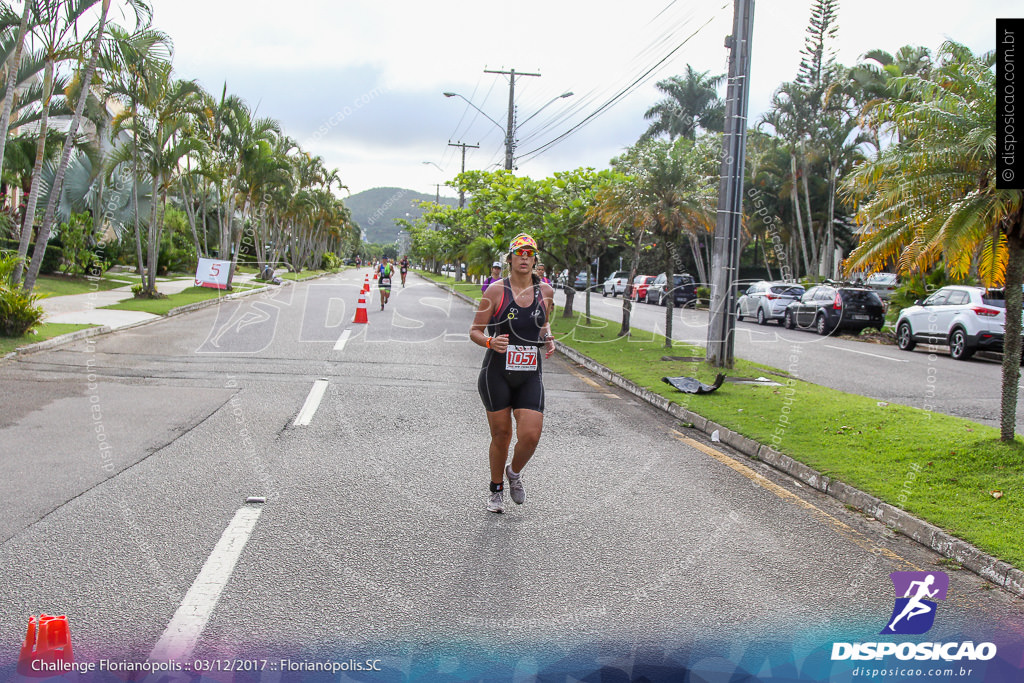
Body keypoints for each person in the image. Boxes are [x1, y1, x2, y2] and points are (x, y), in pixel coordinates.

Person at [470, 234, 555, 513]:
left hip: (530, 372)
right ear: (510, 258)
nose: (525, 258)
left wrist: (548, 336)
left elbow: (543, 324)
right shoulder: (495, 291)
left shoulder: (546, 292)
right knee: (502, 435)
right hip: (497, 373)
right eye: (519, 253)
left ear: (535, 259)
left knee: (531, 434)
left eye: (530, 254)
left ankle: (514, 472)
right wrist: (490, 342)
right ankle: (496, 490)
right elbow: (475, 331)